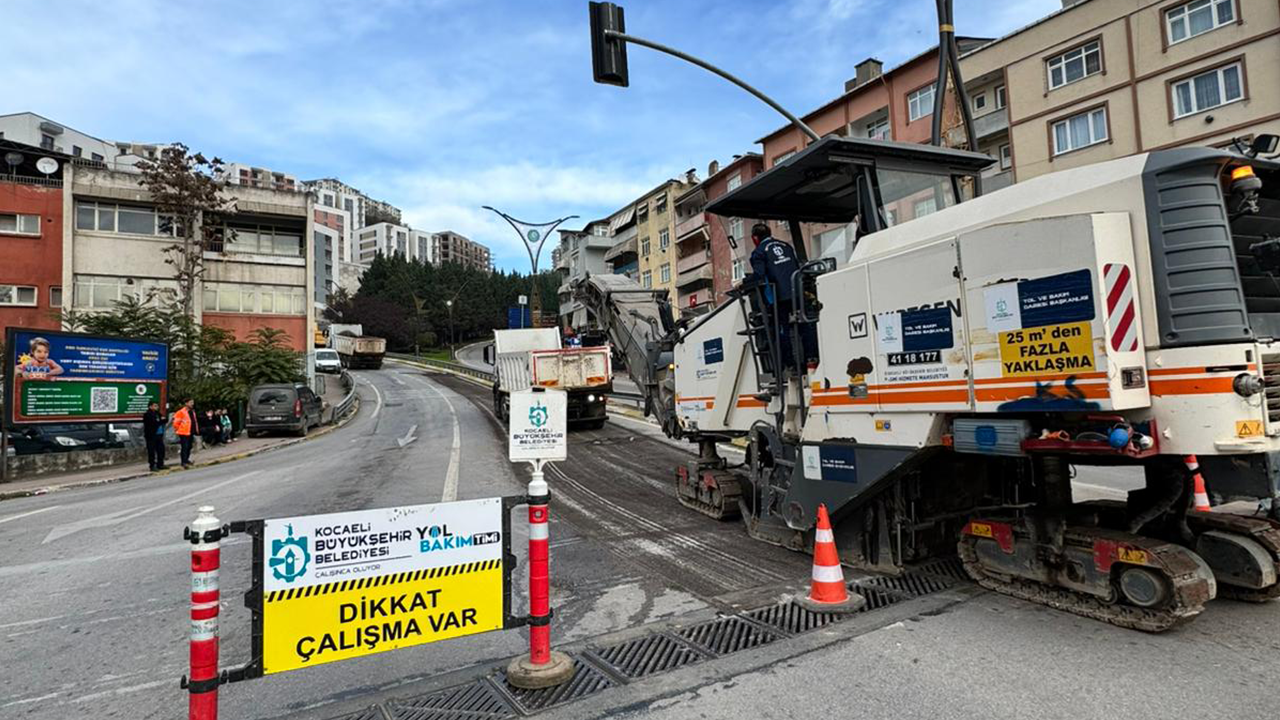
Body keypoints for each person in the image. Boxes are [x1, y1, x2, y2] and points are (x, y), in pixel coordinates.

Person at [747, 222, 801, 370]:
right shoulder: (786, 246)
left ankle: (789, 364)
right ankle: (810, 356)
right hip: (797, 292)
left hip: (779, 298)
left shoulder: (759, 252)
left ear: (755, 239)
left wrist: (743, 282)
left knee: (780, 329)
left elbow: (759, 275)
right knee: (802, 324)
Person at [172, 398, 198, 468]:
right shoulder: (181, 412)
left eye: (192, 402)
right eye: (190, 402)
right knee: (185, 447)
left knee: (189, 446)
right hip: (183, 432)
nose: (192, 404)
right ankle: (183, 462)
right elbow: (176, 423)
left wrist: (196, 429)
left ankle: (186, 459)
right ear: (186, 403)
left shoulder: (192, 411)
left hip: (190, 431)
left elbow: (194, 421)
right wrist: (178, 429)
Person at [142, 401, 167, 471]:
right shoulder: (147, 414)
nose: (157, 407)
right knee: (151, 451)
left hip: (159, 434)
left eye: (157, 406)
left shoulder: (157, 413)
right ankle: (152, 465)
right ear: (150, 406)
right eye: (155, 406)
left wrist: (160, 420)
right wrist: (160, 421)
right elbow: (153, 423)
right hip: (151, 435)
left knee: (161, 450)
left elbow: (165, 420)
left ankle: (160, 464)